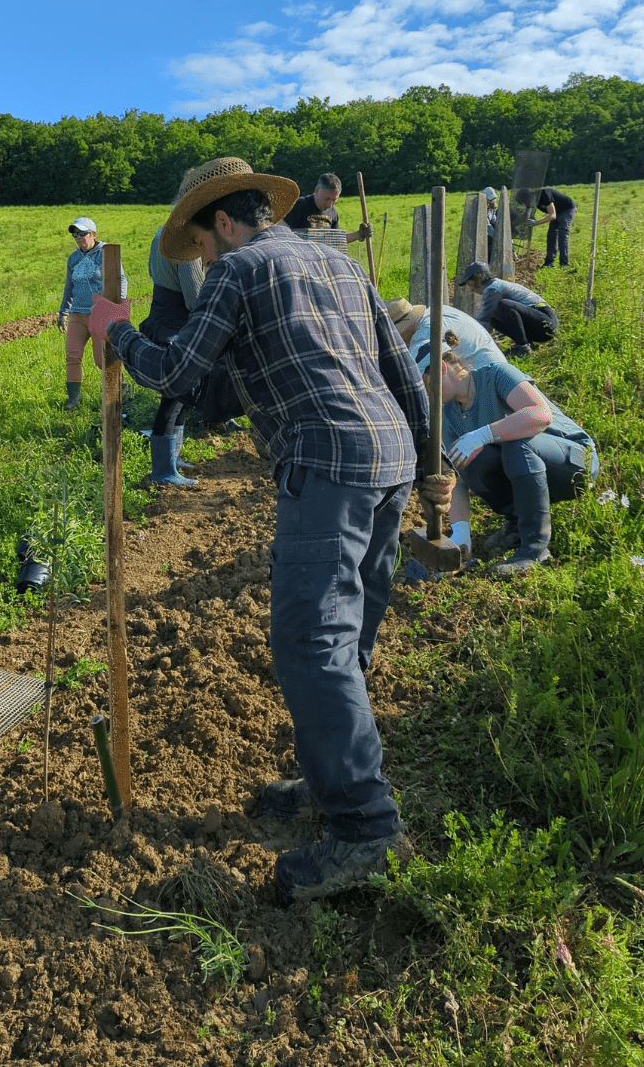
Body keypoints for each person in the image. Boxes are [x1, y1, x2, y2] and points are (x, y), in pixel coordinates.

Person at [100, 156, 453, 901]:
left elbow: (177, 373)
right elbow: (400, 367)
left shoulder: (236, 268)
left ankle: (365, 828)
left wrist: (119, 333)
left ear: (222, 223)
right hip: (388, 454)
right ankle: (332, 781)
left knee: (310, 641)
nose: (200, 257)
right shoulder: (336, 264)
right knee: (348, 631)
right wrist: (430, 461)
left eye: (199, 243)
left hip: (325, 461)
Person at [415, 336, 598, 574]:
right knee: (468, 460)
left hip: (573, 461)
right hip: (531, 470)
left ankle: (535, 550)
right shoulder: (447, 413)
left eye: (426, 385)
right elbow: (455, 474)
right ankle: (517, 525)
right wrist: (461, 531)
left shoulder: (495, 375)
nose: (427, 395)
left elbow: (540, 414)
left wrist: (483, 434)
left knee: (515, 441)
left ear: (441, 369)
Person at [140, 222, 205, 486]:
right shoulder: (184, 241)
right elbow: (194, 296)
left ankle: (173, 460)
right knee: (174, 397)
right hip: (176, 324)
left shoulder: (162, 232)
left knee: (182, 395)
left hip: (163, 315)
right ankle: (163, 470)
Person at [57, 216, 128, 411]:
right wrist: (63, 312)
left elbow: (121, 280)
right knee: (72, 355)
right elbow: (69, 287)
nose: (78, 238)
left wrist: (116, 308)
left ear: (94, 234)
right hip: (78, 314)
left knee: (102, 359)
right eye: (75, 234)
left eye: (82, 233)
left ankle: (122, 390)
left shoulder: (105, 253)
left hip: (100, 314)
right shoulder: (73, 258)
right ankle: (73, 400)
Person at [455, 261, 558, 358]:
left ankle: (522, 347)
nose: (471, 290)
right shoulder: (494, 287)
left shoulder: (492, 289)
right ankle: (525, 343)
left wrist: (464, 342)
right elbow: (486, 321)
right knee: (493, 315)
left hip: (546, 323)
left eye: (470, 284)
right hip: (540, 326)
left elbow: (483, 320)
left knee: (501, 305)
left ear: (479, 277)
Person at [387, 297, 506, 370]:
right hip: (498, 367)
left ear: (406, 327)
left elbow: (414, 374)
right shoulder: (438, 311)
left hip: (484, 379)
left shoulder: (424, 334)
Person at [282, 172, 372, 246]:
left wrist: (358, 235)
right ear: (317, 190)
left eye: (334, 200)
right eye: (327, 199)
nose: (330, 204)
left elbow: (335, 240)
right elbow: (281, 232)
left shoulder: (333, 213)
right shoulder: (299, 205)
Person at [530, 186, 577, 268]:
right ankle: (549, 262)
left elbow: (552, 215)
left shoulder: (544, 194)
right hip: (557, 211)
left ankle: (564, 263)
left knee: (563, 235)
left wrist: (537, 222)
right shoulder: (531, 201)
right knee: (552, 235)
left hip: (567, 210)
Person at [483, 186, 498, 262]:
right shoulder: (481, 207)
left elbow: (493, 218)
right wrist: (495, 235)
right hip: (481, 231)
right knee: (493, 242)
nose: (492, 200)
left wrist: (499, 226)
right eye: (490, 199)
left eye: (492, 198)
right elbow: (486, 223)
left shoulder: (491, 206)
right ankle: (488, 261)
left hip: (488, 229)